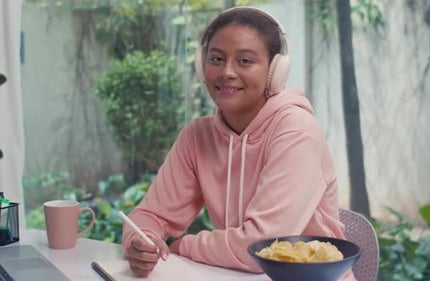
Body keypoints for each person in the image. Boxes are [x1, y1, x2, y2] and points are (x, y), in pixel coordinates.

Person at [122, 6, 355, 280]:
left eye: (245, 61)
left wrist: (181, 245)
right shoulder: (197, 136)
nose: (227, 72)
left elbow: (263, 247)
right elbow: (149, 214)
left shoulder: (296, 131)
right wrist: (143, 241)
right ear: (201, 64)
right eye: (217, 59)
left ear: (275, 70)